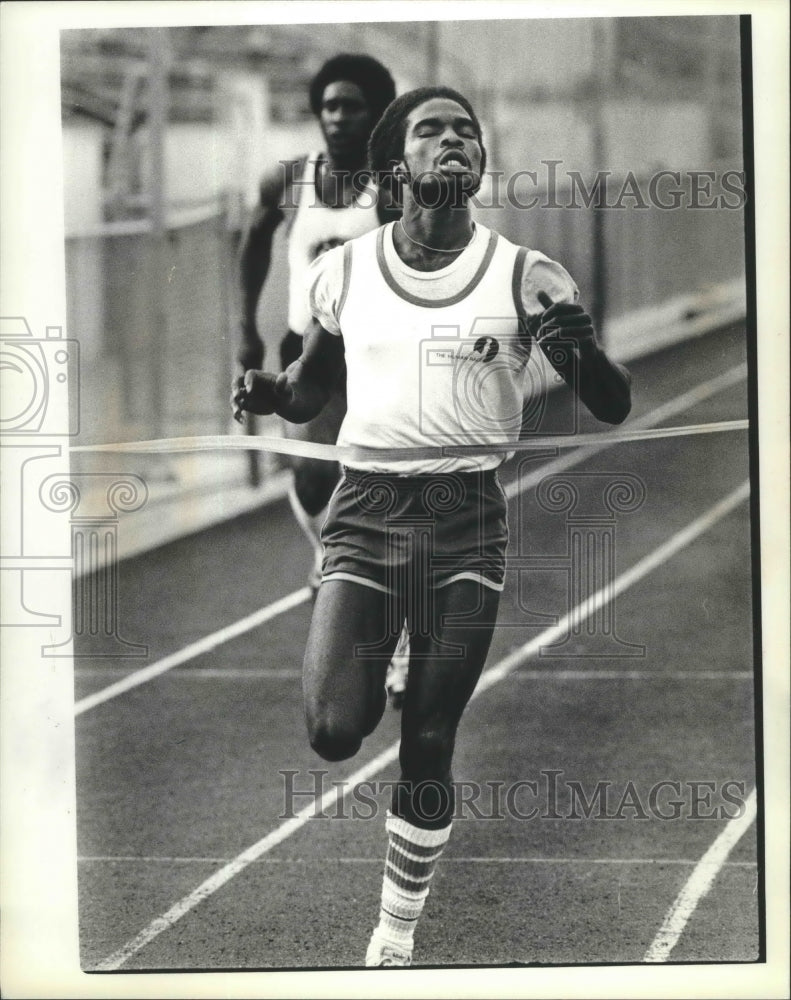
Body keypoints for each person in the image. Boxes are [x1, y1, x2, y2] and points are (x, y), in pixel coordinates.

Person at [232, 86, 632, 967]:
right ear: (395, 166)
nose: (452, 141)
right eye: (429, 130)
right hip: (366, 514)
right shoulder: (343, 272)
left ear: (478, 161)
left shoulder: (526, 276)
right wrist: (268, 394)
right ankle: (376, 649)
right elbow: (306, 391)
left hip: (464, 523)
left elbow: (609, 403)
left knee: (429, 740)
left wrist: (579, 345)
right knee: (336, 727)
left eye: (465, 131)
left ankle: (394, 935)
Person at [238, 53, 409, 704]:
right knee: (312, 476)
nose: (338, 118)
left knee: (377, 490)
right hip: (302, 347)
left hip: (371, 351)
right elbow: (253, 241)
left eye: (353, 105)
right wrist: (245, 329)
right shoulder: (289, 180)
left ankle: (399, 642)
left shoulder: (391, 189)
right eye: (329, 105)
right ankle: (326, 555)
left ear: (376, 114)